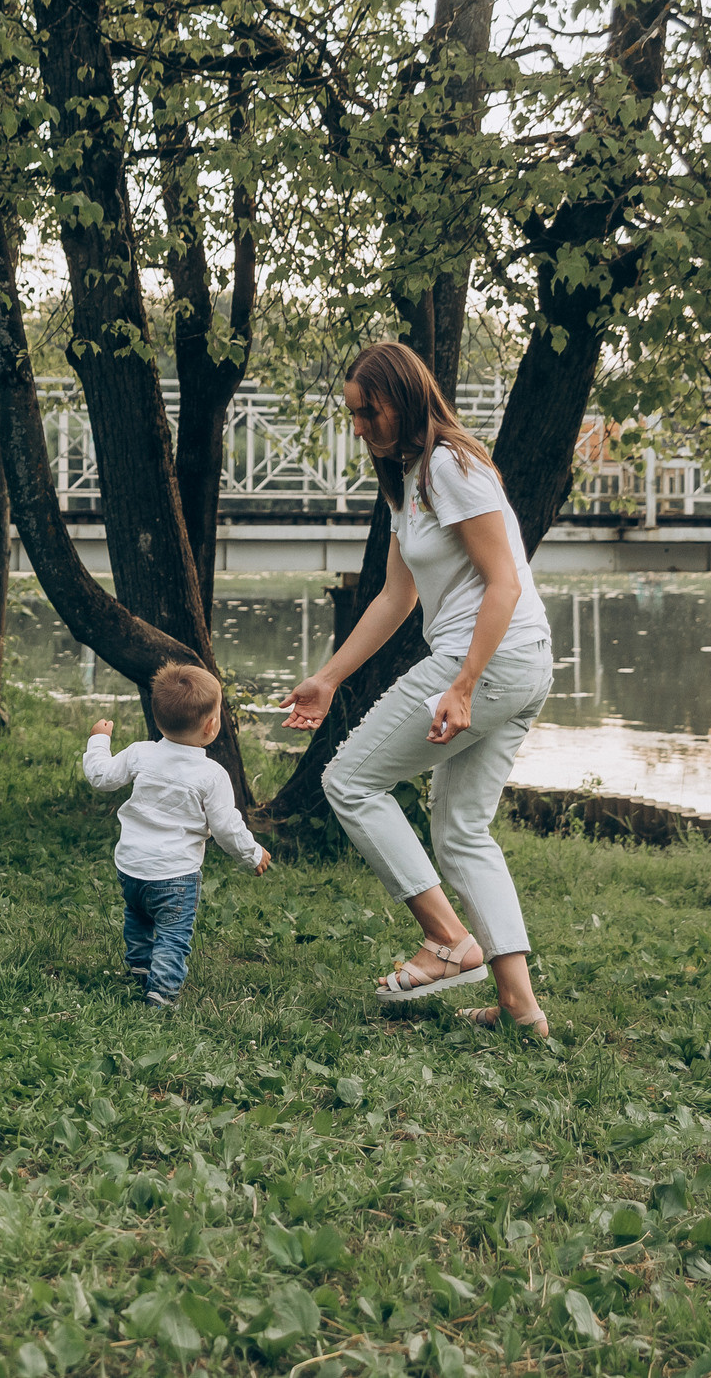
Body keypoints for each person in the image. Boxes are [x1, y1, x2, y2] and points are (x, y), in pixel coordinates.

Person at [279, 341, 555, 1033]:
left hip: (485, 659)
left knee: (347, 780)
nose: (361, 425)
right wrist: (328, 678)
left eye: (369, 410)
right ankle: (520, 1007)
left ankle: (447, 941)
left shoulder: (449, 464)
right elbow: (396, 597)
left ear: (403, 397)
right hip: (515, 663)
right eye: (352, 414)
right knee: (460, 830)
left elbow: (505, 582)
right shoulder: (409, 478)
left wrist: (461, 684)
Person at [83, 663, 270, 1007]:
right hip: (175, 876)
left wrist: (99, 738)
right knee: (172, 934)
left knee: (137, 917)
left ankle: (139, 967)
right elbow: (227, 827)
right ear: (212, 726)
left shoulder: (141, 752)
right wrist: (252, 853)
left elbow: (100, 776)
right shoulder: (212, 775)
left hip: (131, 867)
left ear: (157, 719)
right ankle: (162, 992)